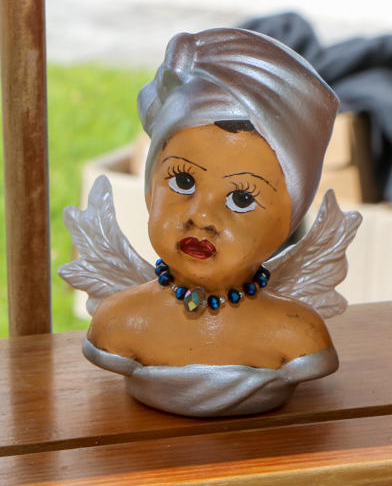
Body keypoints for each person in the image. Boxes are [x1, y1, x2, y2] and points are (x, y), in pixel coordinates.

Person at [59, 28, 361, 417]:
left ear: (289, 219)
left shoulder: (296, 333)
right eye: (183, 181)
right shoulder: (120, 322)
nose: (201, 216)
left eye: (242, 199)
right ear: (150, 190)